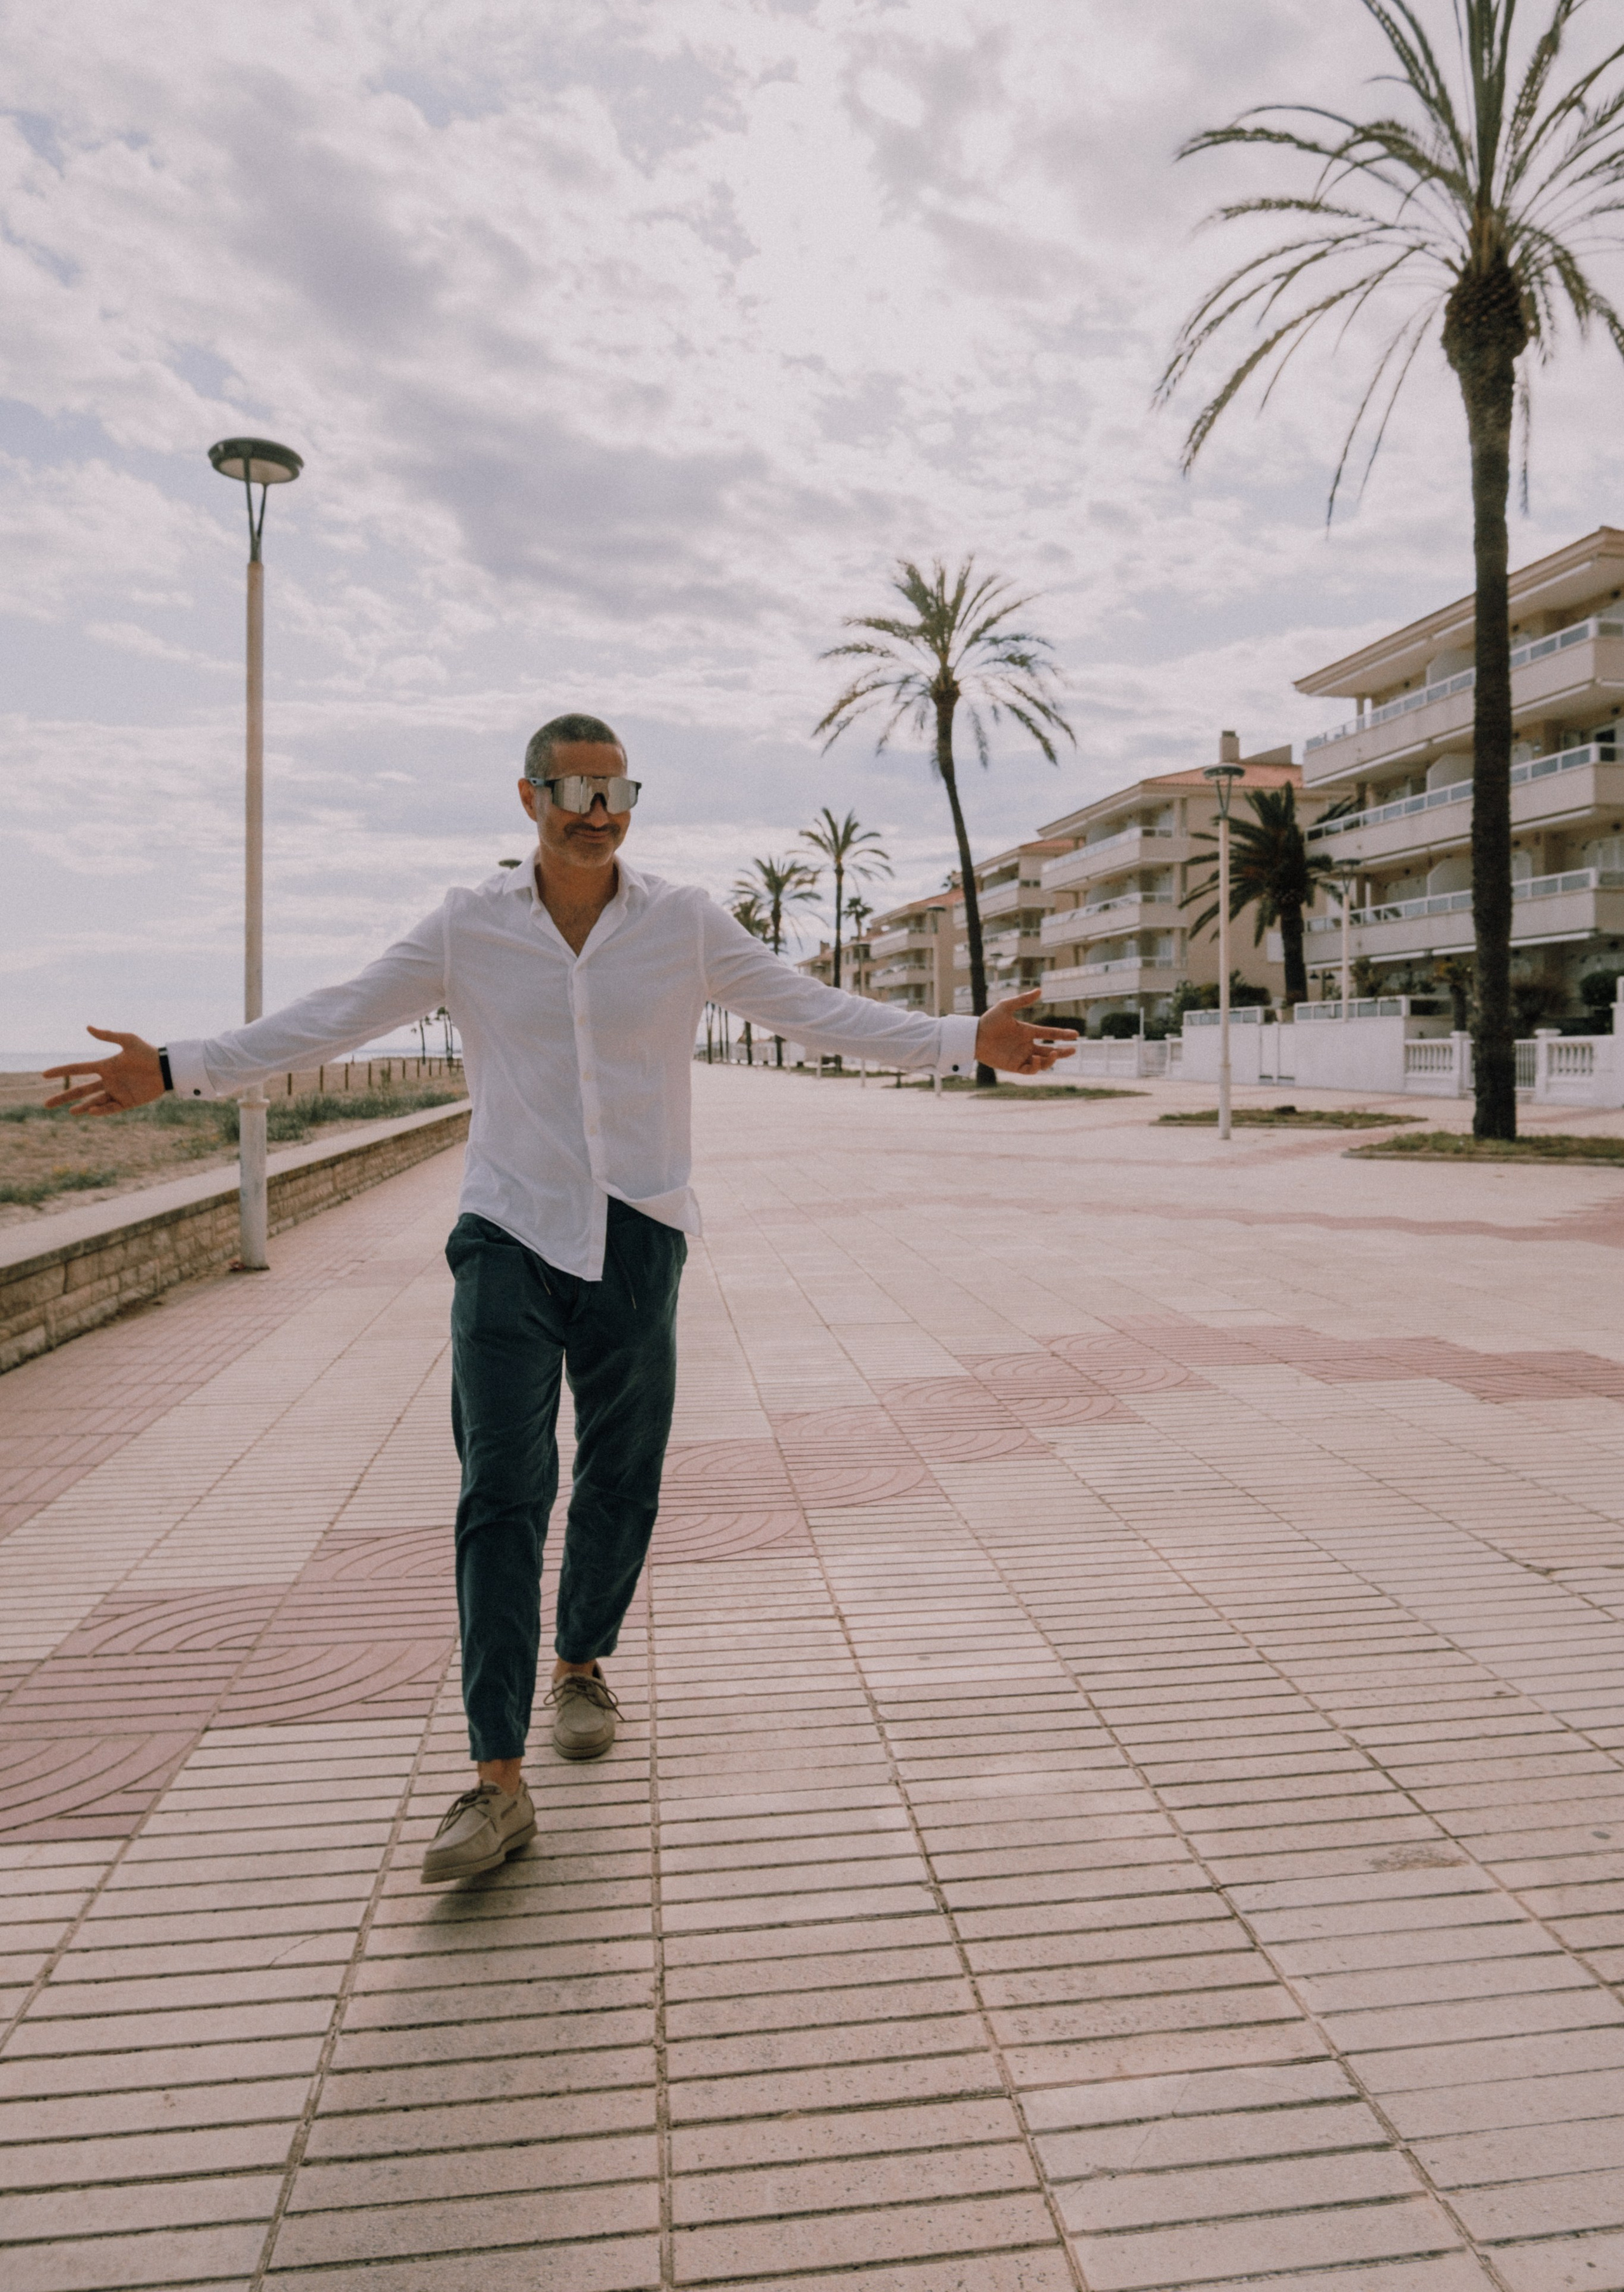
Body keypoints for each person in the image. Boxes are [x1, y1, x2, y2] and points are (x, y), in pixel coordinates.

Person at [47, 714, 1073, 1885]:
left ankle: (582, 1662)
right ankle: (495, 1779)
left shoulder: (682, 922)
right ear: (528, 797)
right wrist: (177, 1066)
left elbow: (811, 1008)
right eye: (573, 789)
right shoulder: (466, 926)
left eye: (614, 788)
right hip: (508, 1234)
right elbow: (335, 1015)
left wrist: (961, 1037)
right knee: (501, 1489)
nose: (597, 809)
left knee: (623, 1472)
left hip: (640, 1231)